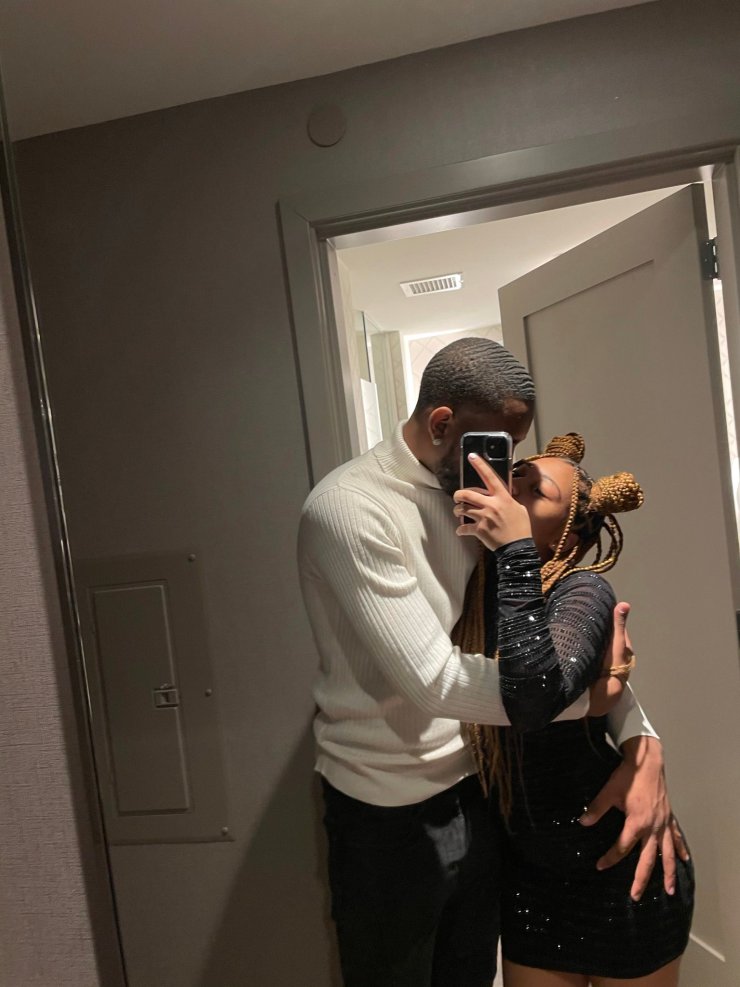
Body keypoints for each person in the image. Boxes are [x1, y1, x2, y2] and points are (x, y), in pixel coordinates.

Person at [297, 337, 683, 987]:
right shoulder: (352, 508)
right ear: (442, 423)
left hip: (479, 796)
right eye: (498, 446)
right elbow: (441, 681)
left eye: (515, 451)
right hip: (383, 809)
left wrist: (641, 740)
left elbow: (561, 645)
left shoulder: (481, 510)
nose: (504, 476)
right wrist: (590, 700)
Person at [453, 432, 694, 987]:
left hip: (622, 869)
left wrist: (515, 550)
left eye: (535, 492)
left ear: (573, 535)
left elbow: (533, 692)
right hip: (530, 882)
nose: (513, 491)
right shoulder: (464, 585)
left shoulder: (582, 590)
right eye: (514, 476)